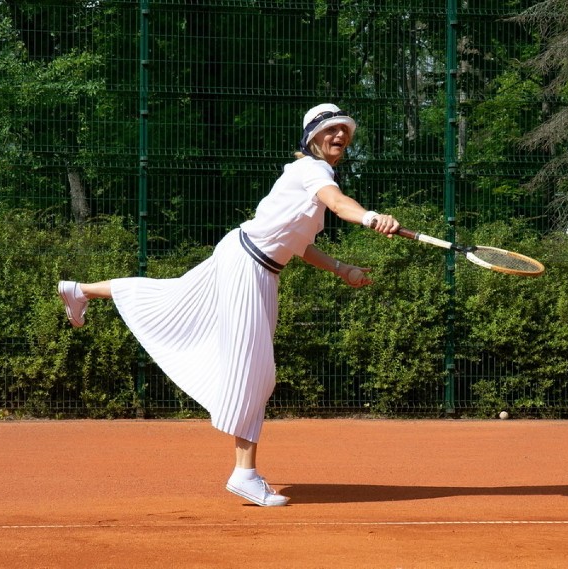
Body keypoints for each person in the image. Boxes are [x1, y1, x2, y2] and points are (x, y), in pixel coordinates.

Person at [58, 103, 400, 507]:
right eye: (330, 129)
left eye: (345, 130)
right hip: (247, 266)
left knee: (172, 300)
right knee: (256, 371)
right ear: (311, 137)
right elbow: (342, 205)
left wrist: (342, 268)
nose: (340, 135)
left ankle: (80, 290)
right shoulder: (312, 170)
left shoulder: (311, 176)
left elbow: (298, 242)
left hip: (251, 262)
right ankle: (245, 474)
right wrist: (370, 216)